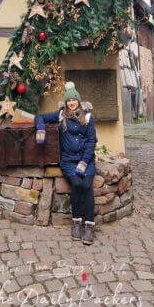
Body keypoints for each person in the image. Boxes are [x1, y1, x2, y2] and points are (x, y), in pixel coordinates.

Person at [36, 81, 98, 245]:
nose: (71, 103)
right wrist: (40, 128)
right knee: (77, 184)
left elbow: (92, 140)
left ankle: (89, 225)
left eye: (74, 100)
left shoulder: (88, 117)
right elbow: (39, 116)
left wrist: (85, 162)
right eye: (68, 100)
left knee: (87, 186)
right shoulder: (60, 116)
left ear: (78, 100)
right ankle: (76, 221)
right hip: (69, 161)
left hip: (87, 161)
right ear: (66, 102)